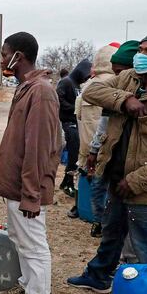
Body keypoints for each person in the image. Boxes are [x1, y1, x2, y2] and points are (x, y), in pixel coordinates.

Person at [67, 32, 147, 294]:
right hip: (117, 179)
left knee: (145, 247)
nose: (141, 56)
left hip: (144, 191)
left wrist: (136, 181)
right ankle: (99, 276)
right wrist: (124, 100)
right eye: (141, 49)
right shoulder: (129, 79)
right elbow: (93, 91)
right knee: (112, 234)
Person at [0, 32, 60, 294]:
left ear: (19, 55)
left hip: (27, 187)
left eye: (5, 54)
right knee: (20, 239)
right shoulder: (27, 88)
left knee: (33, 244)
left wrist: (32, 193)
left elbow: (39, 147)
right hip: (18, 186)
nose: (2, 60)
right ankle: (28, 288)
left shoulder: (41, 91)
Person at [85, 40, 137, 238]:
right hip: (108, 156)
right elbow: (103, 123)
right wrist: (93, 150)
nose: (119, 76)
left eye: (122, 71)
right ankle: (101, 223)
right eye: (116, 72)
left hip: (128, 163)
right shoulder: (113, 90)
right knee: (99, 189)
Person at [73, 45, 117, 222]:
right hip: (103, 152)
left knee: (84, 177)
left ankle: (81, 209)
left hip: (86, 149)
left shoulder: (87, 86)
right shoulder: (115, 85)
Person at [57, 58, 92, 199]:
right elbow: (59, 99)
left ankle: (67, 181)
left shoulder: (78, 84)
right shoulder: (66, 81)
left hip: (75, 122)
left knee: (76, 154)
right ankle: (68, 183)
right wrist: (75, 109)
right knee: (73, 154)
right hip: (67, 122)